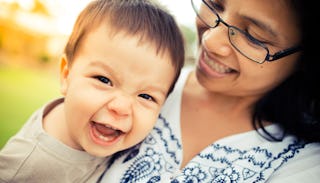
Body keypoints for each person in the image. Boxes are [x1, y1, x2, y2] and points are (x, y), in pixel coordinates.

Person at [100, 0, 320, 182]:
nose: (210, 41)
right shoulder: (134, 88)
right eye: (215, 5)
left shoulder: (305, 164)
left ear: (305, 58)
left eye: (253, 36)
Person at [0, 0, 185, 182]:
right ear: (66, 75)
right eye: (104, 80)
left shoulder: (105, 130)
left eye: (146, 96)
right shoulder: (25, 167)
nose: (121, 107)